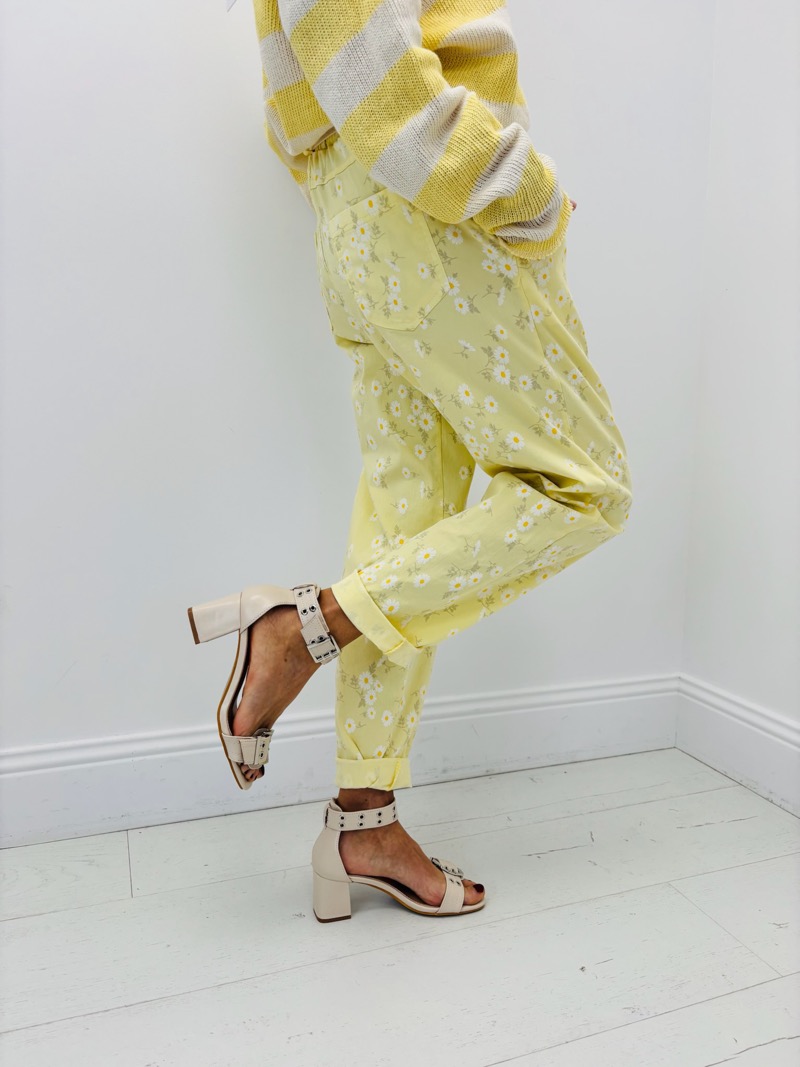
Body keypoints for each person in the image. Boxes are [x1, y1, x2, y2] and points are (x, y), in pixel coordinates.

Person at [188, 0, 633, 921]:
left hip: (362, 219)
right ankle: (301, 627)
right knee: (585, 488)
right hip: (431, 210)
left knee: (407, 523)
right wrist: (528, 190)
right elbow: (373, 75)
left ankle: (366, 822)